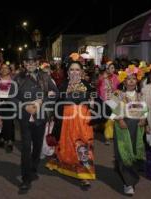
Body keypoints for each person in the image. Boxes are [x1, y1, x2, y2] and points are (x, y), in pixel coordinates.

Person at [9, 49, 58, 192]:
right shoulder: (17, 78)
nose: (30, 64)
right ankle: (25, 179)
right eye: (27, 62)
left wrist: (43, 101)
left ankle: (33, 168)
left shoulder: (45, 76)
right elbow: (12, 97)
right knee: (25, 148)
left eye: (33, 62)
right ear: (24, 63)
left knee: (37, 147)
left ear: (37, 63)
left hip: (40, 118)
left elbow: (55, 93)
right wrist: (25, 107)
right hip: (24, 119)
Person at [46, 57, 96, 188]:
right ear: (68, 72)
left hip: (83, 122)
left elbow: (97, 103)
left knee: (83, 147)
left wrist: (93, 103)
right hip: (66, 122)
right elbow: (56, 103)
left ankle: (84, 176)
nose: (74, 72)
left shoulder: (88, 86)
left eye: (77, 70)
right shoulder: (62, 86)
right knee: (67, 146)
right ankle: (68, 167)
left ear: (81, 72)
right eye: (72, 70)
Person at [111, 65, 147, 195]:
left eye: (133, 78)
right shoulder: (117, 94)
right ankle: (128, 183)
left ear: (137, 81)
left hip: (136, 128)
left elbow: (144, 110)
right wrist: (120, 119)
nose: (131, 81)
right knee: (123, 153)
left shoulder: (140, 95)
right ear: (124, 81)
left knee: (134, 153)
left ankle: (131, 176)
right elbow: (111, 108)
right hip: (122, 126)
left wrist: (143, 118)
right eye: (128, 79)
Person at [0, 63, 15, 152]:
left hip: (10, 103)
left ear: (9, 70)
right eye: (2, 68)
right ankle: (1, 138)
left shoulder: (14, 79)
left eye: (6, 68)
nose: (4, 70)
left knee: (9, 122)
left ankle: (9, 141)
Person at [97, 61, 120, 145]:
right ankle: (107, 137)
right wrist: (105, 100)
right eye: (111, 68)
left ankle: (112, 135)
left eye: (114, 68)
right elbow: (100, 90)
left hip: (115, 100)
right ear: (107, 69)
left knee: (113, 118)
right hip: (105, 101)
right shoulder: (102, 78)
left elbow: (119, 88)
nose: (113, 70)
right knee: (108, 119)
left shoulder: (116, 77)